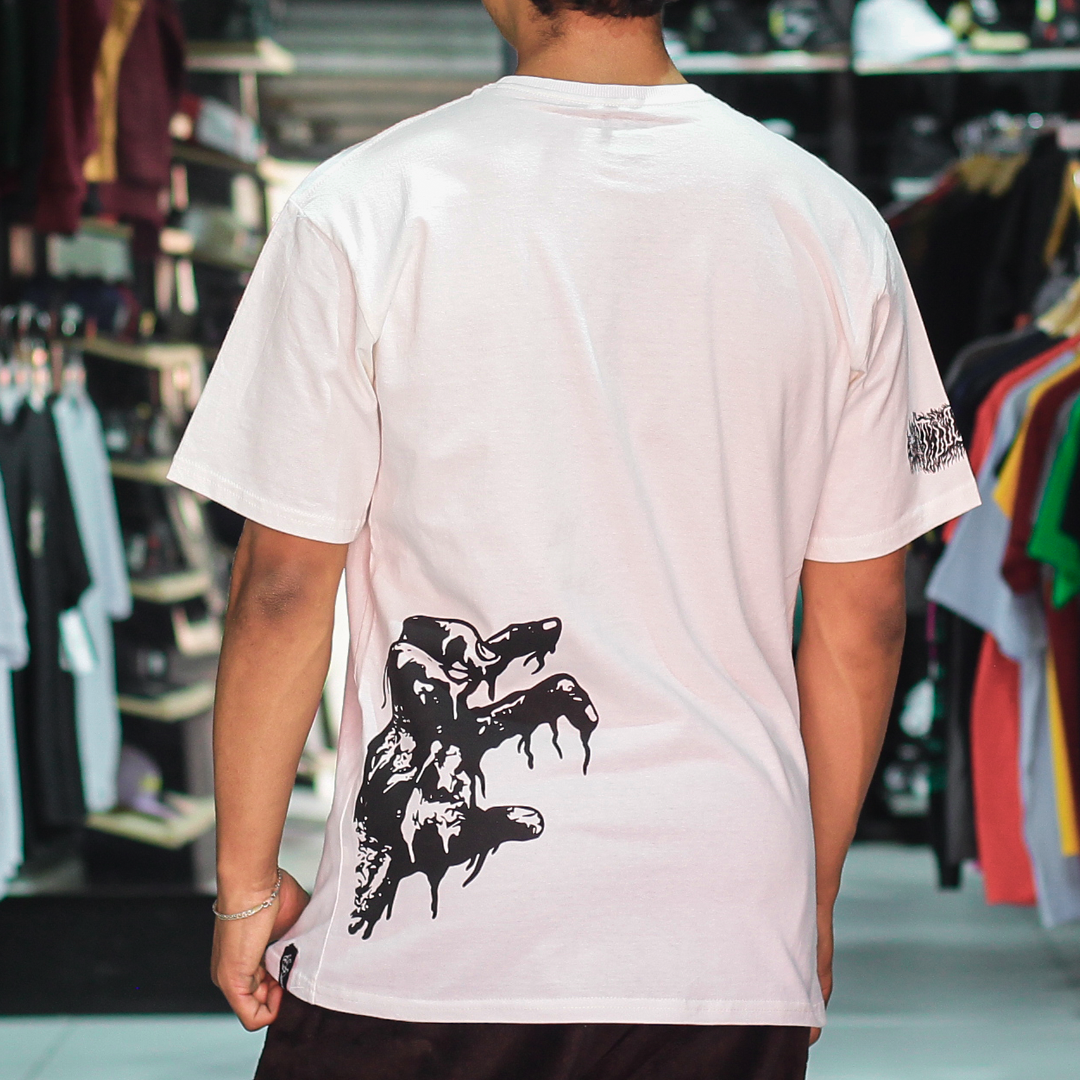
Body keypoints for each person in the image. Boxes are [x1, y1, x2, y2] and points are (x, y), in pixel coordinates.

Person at [167, 1, 980, 1077]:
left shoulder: (362, 206)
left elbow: (282, 586)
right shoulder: (833, 225)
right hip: (720, 923)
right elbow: (864, 622)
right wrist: (808, 894)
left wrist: (244, 889)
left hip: (434, 947)